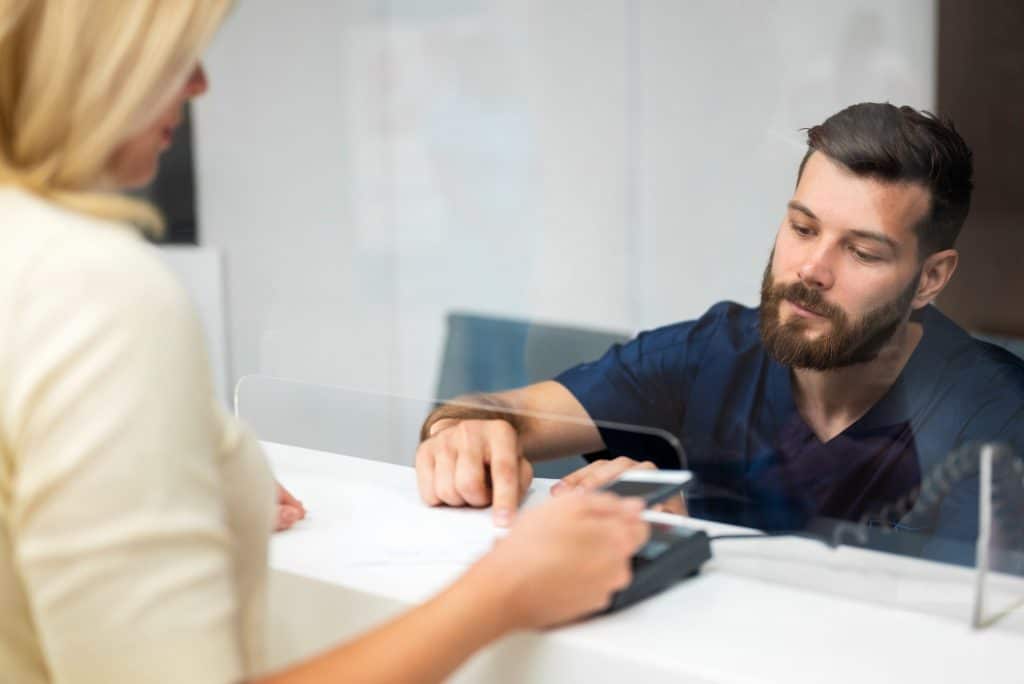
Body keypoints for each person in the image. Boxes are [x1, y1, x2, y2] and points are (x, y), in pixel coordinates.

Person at [0, 2, 650, 682]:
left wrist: (182, 484)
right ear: (89, 61)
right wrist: (506, 588)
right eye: (174, 58)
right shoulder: (95, 292)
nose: (199, 87)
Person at [416, 102, 1024, 565]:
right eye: (803, 228)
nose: (811, 270)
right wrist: (465, 432)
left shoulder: (995, 417)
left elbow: (953, 637)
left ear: (929, 278)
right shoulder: (714, 352)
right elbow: (496, 414)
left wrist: (696, 538)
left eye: (862, 252)